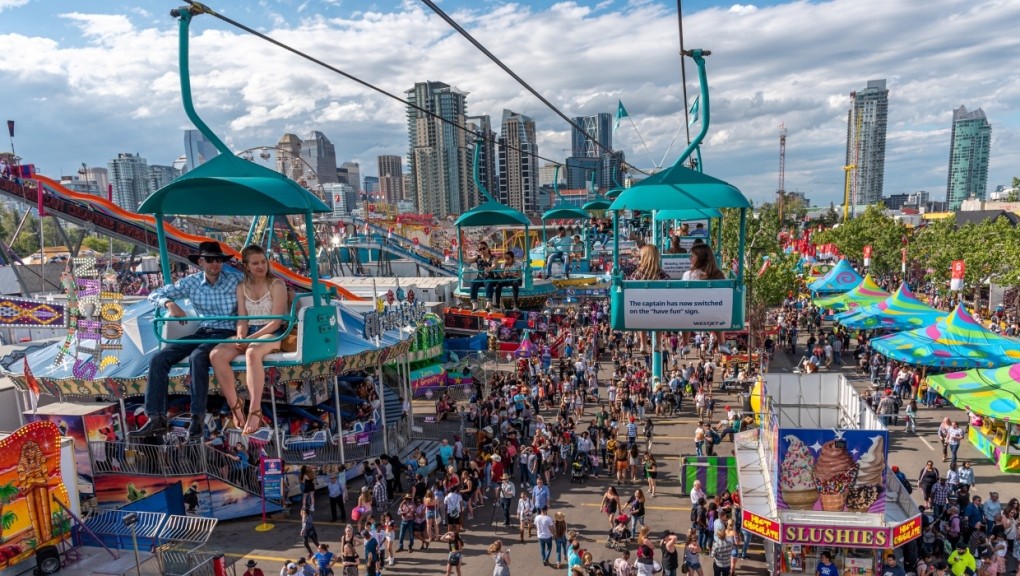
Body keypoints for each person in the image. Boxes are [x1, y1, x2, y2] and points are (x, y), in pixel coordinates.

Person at [130, 241, 243, 440]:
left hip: (226, 331)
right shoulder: (191, 282)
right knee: (158, 359)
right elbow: (155, 294)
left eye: (218, 260)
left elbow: (259, 289)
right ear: (201, 262)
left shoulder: (235, 280)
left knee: (198, 356)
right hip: (204, 330)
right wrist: (170, 303)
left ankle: (197, 417)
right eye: (210, 260)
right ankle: (156, 417)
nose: (215, 264)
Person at [209, 244, 288, 434]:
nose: (261, 266)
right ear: (246, 266)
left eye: (263, 262)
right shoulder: (242, 287)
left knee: (252, 352)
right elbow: (242, 319)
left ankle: (255, 408)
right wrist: (240, 335)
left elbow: (275, 323)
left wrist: (249, 339)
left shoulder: (277, 285)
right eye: (255, 263)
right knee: (216, 355)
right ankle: (235, 405)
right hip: (251, 331)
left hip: (272, 332)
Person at [468, 242, 496, 311]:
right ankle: (474, 303)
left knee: (489, 282)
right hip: (480, 277)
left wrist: (490, 268)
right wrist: (462, 251)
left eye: (484, 248)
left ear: (487, 248)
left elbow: (494, 265)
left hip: (489, 277)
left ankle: (488, 302)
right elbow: (467, 260)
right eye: (480, 249)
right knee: (473, 282)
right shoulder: (478, 257)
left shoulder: (493, 258)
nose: (482, 250)